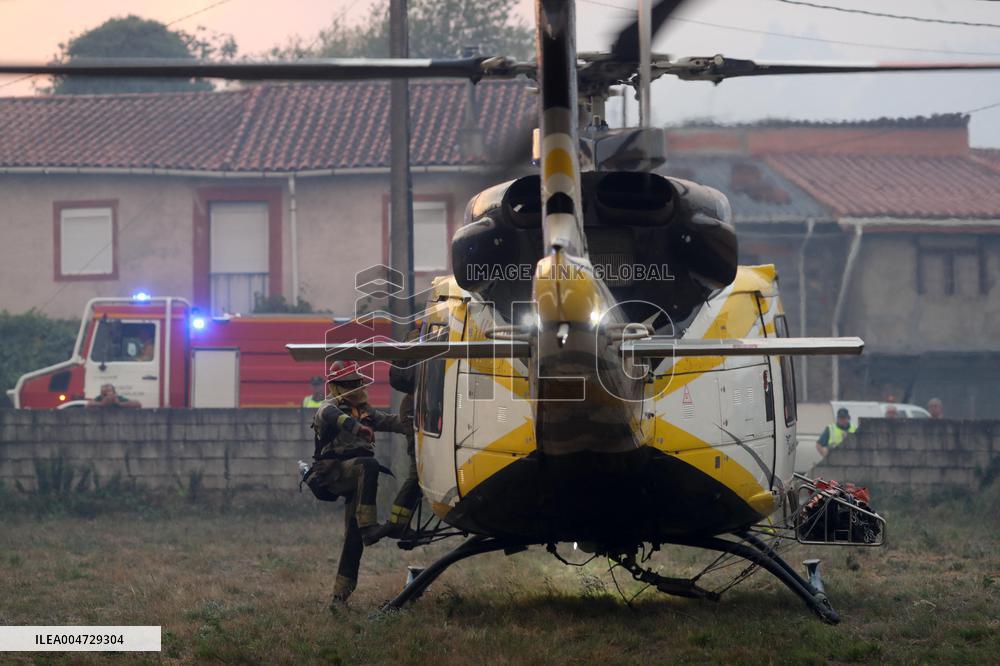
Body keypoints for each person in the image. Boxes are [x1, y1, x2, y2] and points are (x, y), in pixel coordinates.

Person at [308, 360, 411, 606]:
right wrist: (357, 428)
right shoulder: (329, 408)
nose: (356, 388)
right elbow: (327, 414)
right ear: (336, 387)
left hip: (356, 478)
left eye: (358, 383)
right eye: (349, 384)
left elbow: (391, 422)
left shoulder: (365, 410)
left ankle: (339, 597)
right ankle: (369, 527)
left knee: (353, 539)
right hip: (333, 475)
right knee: (369, 464)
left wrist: (418, 421)